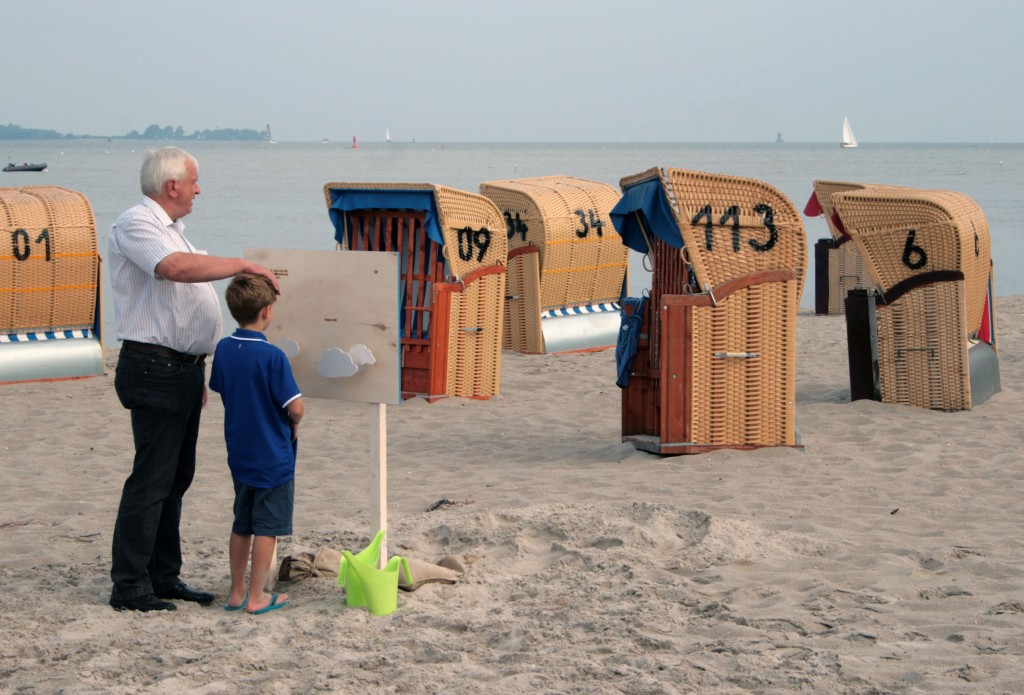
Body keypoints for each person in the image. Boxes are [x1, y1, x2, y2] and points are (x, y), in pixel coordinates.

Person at [107, 146, 281, 612]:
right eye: (194, 181)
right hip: (153, 367)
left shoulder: (172, 231)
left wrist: (193, 367)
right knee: (152, 478)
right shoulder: (137, 224)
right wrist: (243, 265)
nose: (198, 189)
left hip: (180, 369)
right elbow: (174, 271)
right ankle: (129, 584)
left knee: (176, 477)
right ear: (172, 186)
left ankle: (163, 575)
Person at [209, 273, 304, 615]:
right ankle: (257, 596)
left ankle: (236, 593)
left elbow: (222, 388)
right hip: (272, 455)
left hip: (240, 451)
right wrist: (294, 425)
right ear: (268, 311)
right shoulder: (272, 357)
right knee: (267, 527)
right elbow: (295, 407)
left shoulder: (223, 348)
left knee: (242, 522)